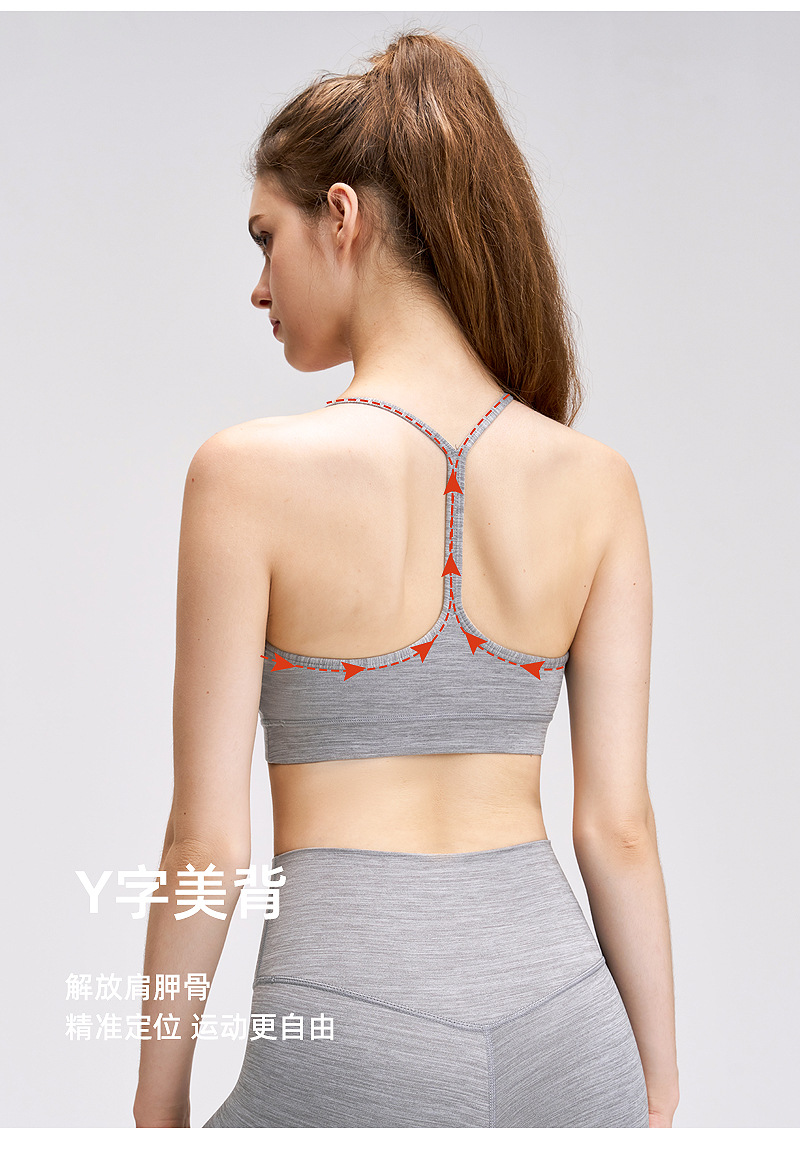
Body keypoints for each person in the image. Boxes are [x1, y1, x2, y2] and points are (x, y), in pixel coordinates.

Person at [133, 29, 679, 1129]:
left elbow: (207, 843)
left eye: (266, 237)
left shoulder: (243, 478)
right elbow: (615, 826)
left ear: (341, 216)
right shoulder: (598, 483)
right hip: (568, 1025)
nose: (259, 287)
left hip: (347, 1022)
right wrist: (657, 1089)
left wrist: (155, 1106)